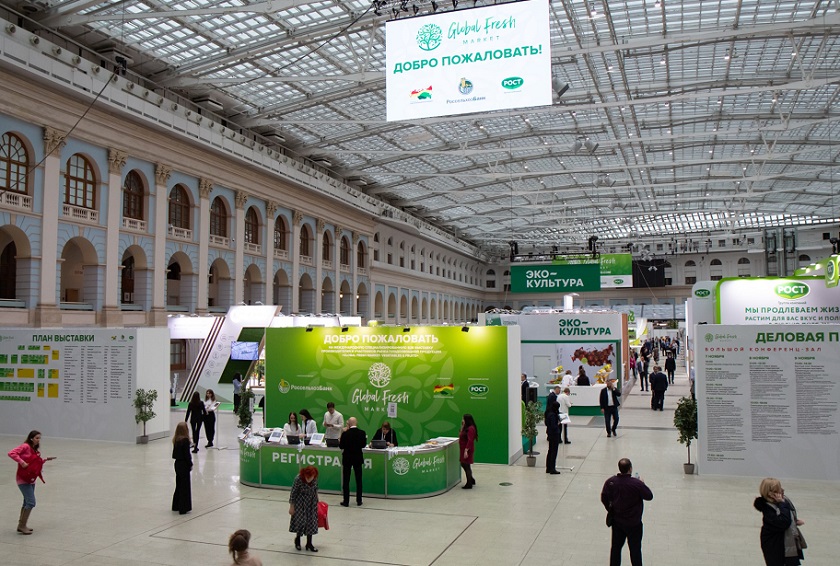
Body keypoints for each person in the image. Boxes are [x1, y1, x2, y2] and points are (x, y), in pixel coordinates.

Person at [601, 458, 654, 566]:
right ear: (630, 469)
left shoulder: (611, 482)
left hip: (617, 522)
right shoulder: (636, 484)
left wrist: (611, 510)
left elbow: (604, 497)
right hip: (634, 523)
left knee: (616, 548)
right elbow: (649, 496)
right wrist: (642, 484)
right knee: (635, 550)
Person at [7, 430, 56, 535]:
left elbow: (34, 462)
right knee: (31, 502)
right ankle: (22, 525)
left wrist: (45, 459)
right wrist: (22, 462)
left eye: (39, 438)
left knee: (26, 501)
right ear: (31, 438)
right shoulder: (25, 446)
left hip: (31, 479)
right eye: (36, 438)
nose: (38, 440)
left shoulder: (34, 449)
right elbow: (11, 453)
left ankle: (21, 525)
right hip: (23, 479)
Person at [753, 477, 806, 566]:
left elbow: (787, 515)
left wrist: (794, 521)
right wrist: (782, 503)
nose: (782, 490)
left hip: (783, 542)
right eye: (778, 489)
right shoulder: (768, 509)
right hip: (775, 545)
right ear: (770, 494)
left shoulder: (781, 502)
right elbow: (783, 522)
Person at [289, 466, 320, 552]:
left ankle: (309, 543)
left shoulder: (314, 479)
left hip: (311, 502)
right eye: (307, 477)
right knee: (300, 521)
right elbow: (293, 493)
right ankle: (298, 540)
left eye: (311, 477)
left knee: (311, 522)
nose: (309, 479)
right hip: (300, 502)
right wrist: (292, 506)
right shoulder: (298, 479)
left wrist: (318, 501)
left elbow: (315, 489)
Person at [339, 416, 367, 506]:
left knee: (346, 480)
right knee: (359, 480)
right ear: (356, 423)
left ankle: (346, 501)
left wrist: (343, 433)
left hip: (347, 458)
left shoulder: (345, 434)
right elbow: (363, 445)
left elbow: (341, 446)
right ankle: (359, 500)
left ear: (349, 424)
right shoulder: (362, 433)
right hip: (357, 458)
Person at [171, 421, 193, 515]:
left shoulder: (176, 440)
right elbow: (187, 455)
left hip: (177, 464)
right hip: (184, 464)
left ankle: (176, 505)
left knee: (179, 484)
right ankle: (183, 507)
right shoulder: (185, 441)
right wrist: (190, 464)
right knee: (185, 486)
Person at [459, 413, 478, 488]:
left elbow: (470, 440)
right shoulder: (465, 427)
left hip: (467, 449)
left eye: (463, 419)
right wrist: (462, 426)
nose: (462, 420)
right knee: (464, 464)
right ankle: (471, 479)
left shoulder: (471, 429)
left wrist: (466, 450)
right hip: (463, 448)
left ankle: (469, 483)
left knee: (466, 465)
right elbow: (461, 434)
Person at [544, 401, 561, 475]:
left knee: (550, 450)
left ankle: (548, 467)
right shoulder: (553, 415)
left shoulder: (548, 413)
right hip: (554, 434)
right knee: (554, 451)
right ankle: (552, 468)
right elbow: (554, 426)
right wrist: (558, 423)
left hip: (550, 433)